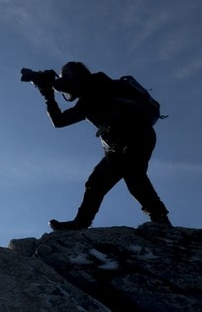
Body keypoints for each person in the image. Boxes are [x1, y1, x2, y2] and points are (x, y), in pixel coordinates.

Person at [38, 61, 171, 230]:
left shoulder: (96, 89)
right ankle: (82, 222)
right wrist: (51, 90)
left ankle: (159, 218)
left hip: (135, 136)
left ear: (76, 77)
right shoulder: (97, 88)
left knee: (134, 176)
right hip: (121, 144)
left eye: (66, 78)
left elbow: (60, 120)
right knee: (96, 182)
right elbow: (64, 113)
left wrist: (50, 91)